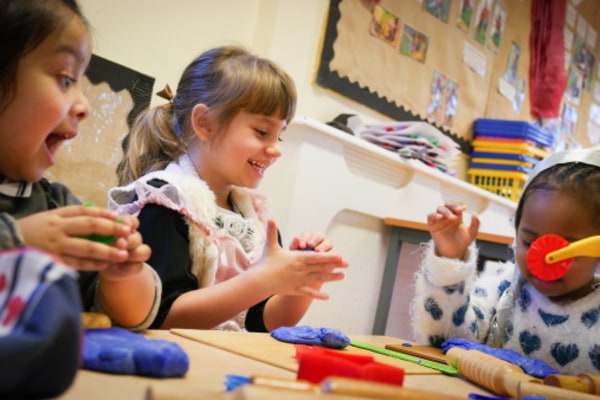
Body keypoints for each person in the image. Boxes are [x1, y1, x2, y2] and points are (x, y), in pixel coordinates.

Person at [109, 45, 349, 332]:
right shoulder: (166, 202)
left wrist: (300, 280)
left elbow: (262, 323)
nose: (275, 150)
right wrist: (262, 280)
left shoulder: (254, 219)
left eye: (280, 136)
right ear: (204, 123)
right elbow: (160, 317)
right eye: (262, 132)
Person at [0, 0, 160, 331]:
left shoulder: (59, 208)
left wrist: (122, 272)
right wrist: (16, 241)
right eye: (64, 78)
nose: (85, 106)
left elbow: (130, 318)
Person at [411, 146, 600, 374]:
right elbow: (444, 338)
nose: (545, 261)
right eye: (530, 243)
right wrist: (450, 260)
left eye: (564, 250)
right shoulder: (505, 289)